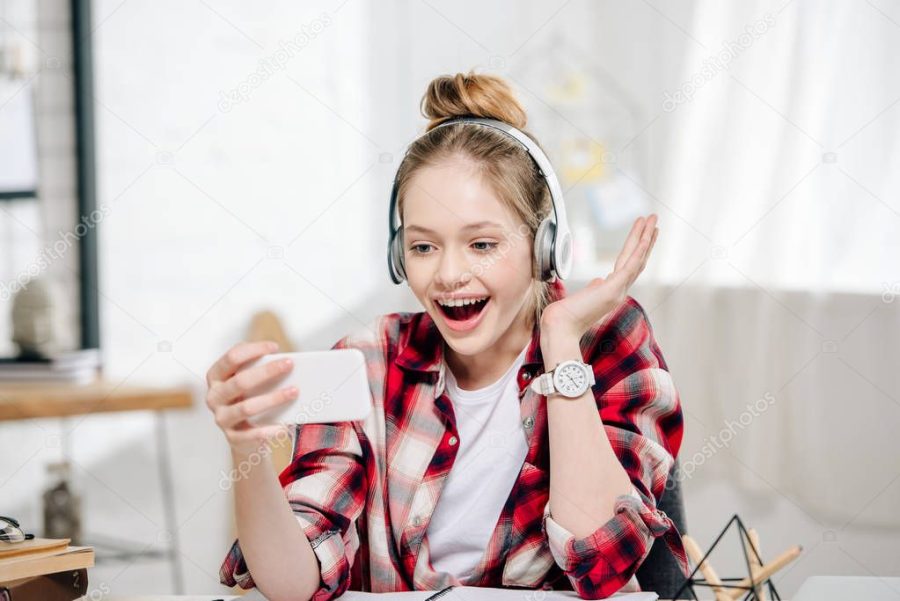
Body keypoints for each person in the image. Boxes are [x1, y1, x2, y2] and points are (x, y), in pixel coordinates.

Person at [207, 71, 687, 601]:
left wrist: (559, 340)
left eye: (482, 245)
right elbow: (293, 585)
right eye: (423, 247)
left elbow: (601, 562)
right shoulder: (368, 359)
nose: (449, 275)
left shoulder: (604, 337)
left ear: (545, 247)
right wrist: (245, 447)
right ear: (398, 254)